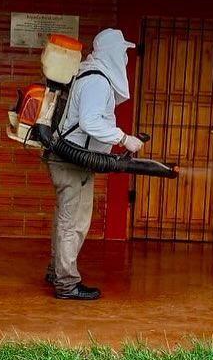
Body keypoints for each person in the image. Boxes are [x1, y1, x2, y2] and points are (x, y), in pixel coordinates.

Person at [44, 28, 146, 300]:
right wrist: (124, 139)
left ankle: (56, 271)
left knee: (65, 219)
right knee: (73, 223)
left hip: (68, 161)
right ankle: (66, 284)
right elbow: (90, 122)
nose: (125, 59)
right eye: (122, 53)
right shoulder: (97, 81)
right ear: (112, 52)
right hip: (72, 163)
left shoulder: (87, 73)